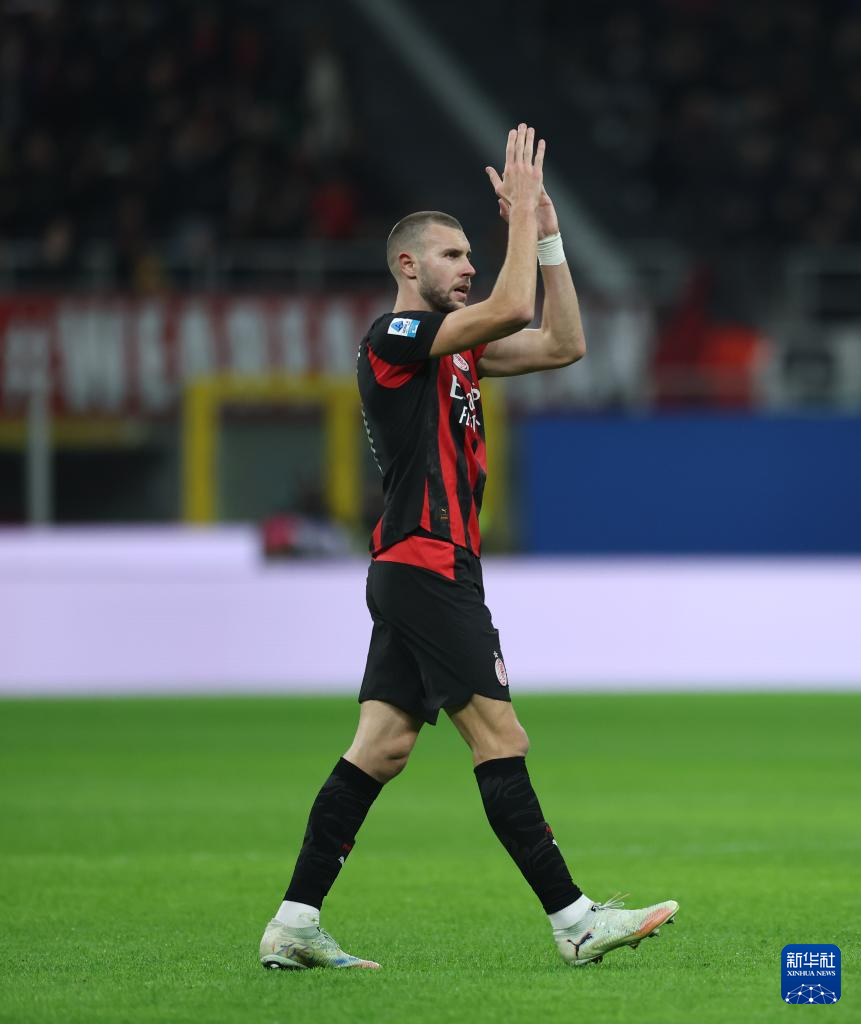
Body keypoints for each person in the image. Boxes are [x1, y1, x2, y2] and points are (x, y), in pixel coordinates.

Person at [259, 124, 678, 970]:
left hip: (418, 568)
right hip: (425, 563)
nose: (466, 267)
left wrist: (547, 236)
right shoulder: (393, 338)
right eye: (451, 255)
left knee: (380, 747)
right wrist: (518, 212)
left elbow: (563, 343)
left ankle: (294, 922)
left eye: (468, 255)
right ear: (406, 264)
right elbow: (513, 307)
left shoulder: (457, 354)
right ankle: (574, 921)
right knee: (500, 737)